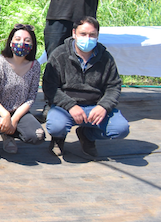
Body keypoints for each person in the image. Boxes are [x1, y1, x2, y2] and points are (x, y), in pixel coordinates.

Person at [43, 17, 129, 158]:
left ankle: (87, 135)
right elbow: (49, 86)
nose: (87, 38)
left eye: (92, 35)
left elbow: (114, 86)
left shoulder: (106, 58)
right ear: (74, 33)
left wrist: (103, 106)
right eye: (83, 34)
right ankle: (58, 138)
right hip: (65, 108)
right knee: (55, 126)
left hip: (95, 107)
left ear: (97, 36)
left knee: (120, 129)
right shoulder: (59, 54)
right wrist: (70, 105)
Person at [0, 24, 44, 160]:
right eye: (17, 39)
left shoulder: (34, 66)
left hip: (17, 110)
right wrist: (6, 114)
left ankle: (8, 135)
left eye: (27, 40)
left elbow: (30, 98)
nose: (21, 43)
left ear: (33, 44)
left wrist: (15, 118)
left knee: (37, 135)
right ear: (11, 42)